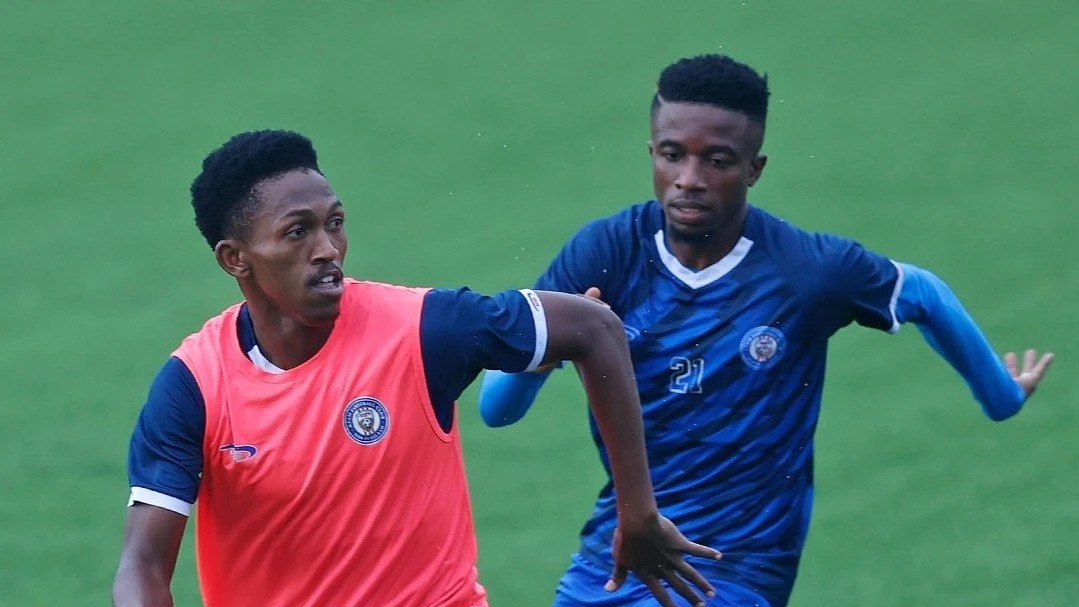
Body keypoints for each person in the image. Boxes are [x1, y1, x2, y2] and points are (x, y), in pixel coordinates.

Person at [477, 54, 1055, 607]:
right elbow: (496, 409)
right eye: (673, 156)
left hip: (738, 566)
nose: (689, 179)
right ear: (651, 152)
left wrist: (1000, 397)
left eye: (718, 161)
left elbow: (922, 292)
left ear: (755, 169)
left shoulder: (806, 270)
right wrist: (558, 344)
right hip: (620, 550)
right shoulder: (605, 254)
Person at [110, 130, 723, 607]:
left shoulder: (424, 329)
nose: (327, 249)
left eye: (335, 223)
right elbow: (143, 563)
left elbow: (594, 328)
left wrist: (637, 512)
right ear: (234, 259)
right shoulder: (195, 384)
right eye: (297, 233)